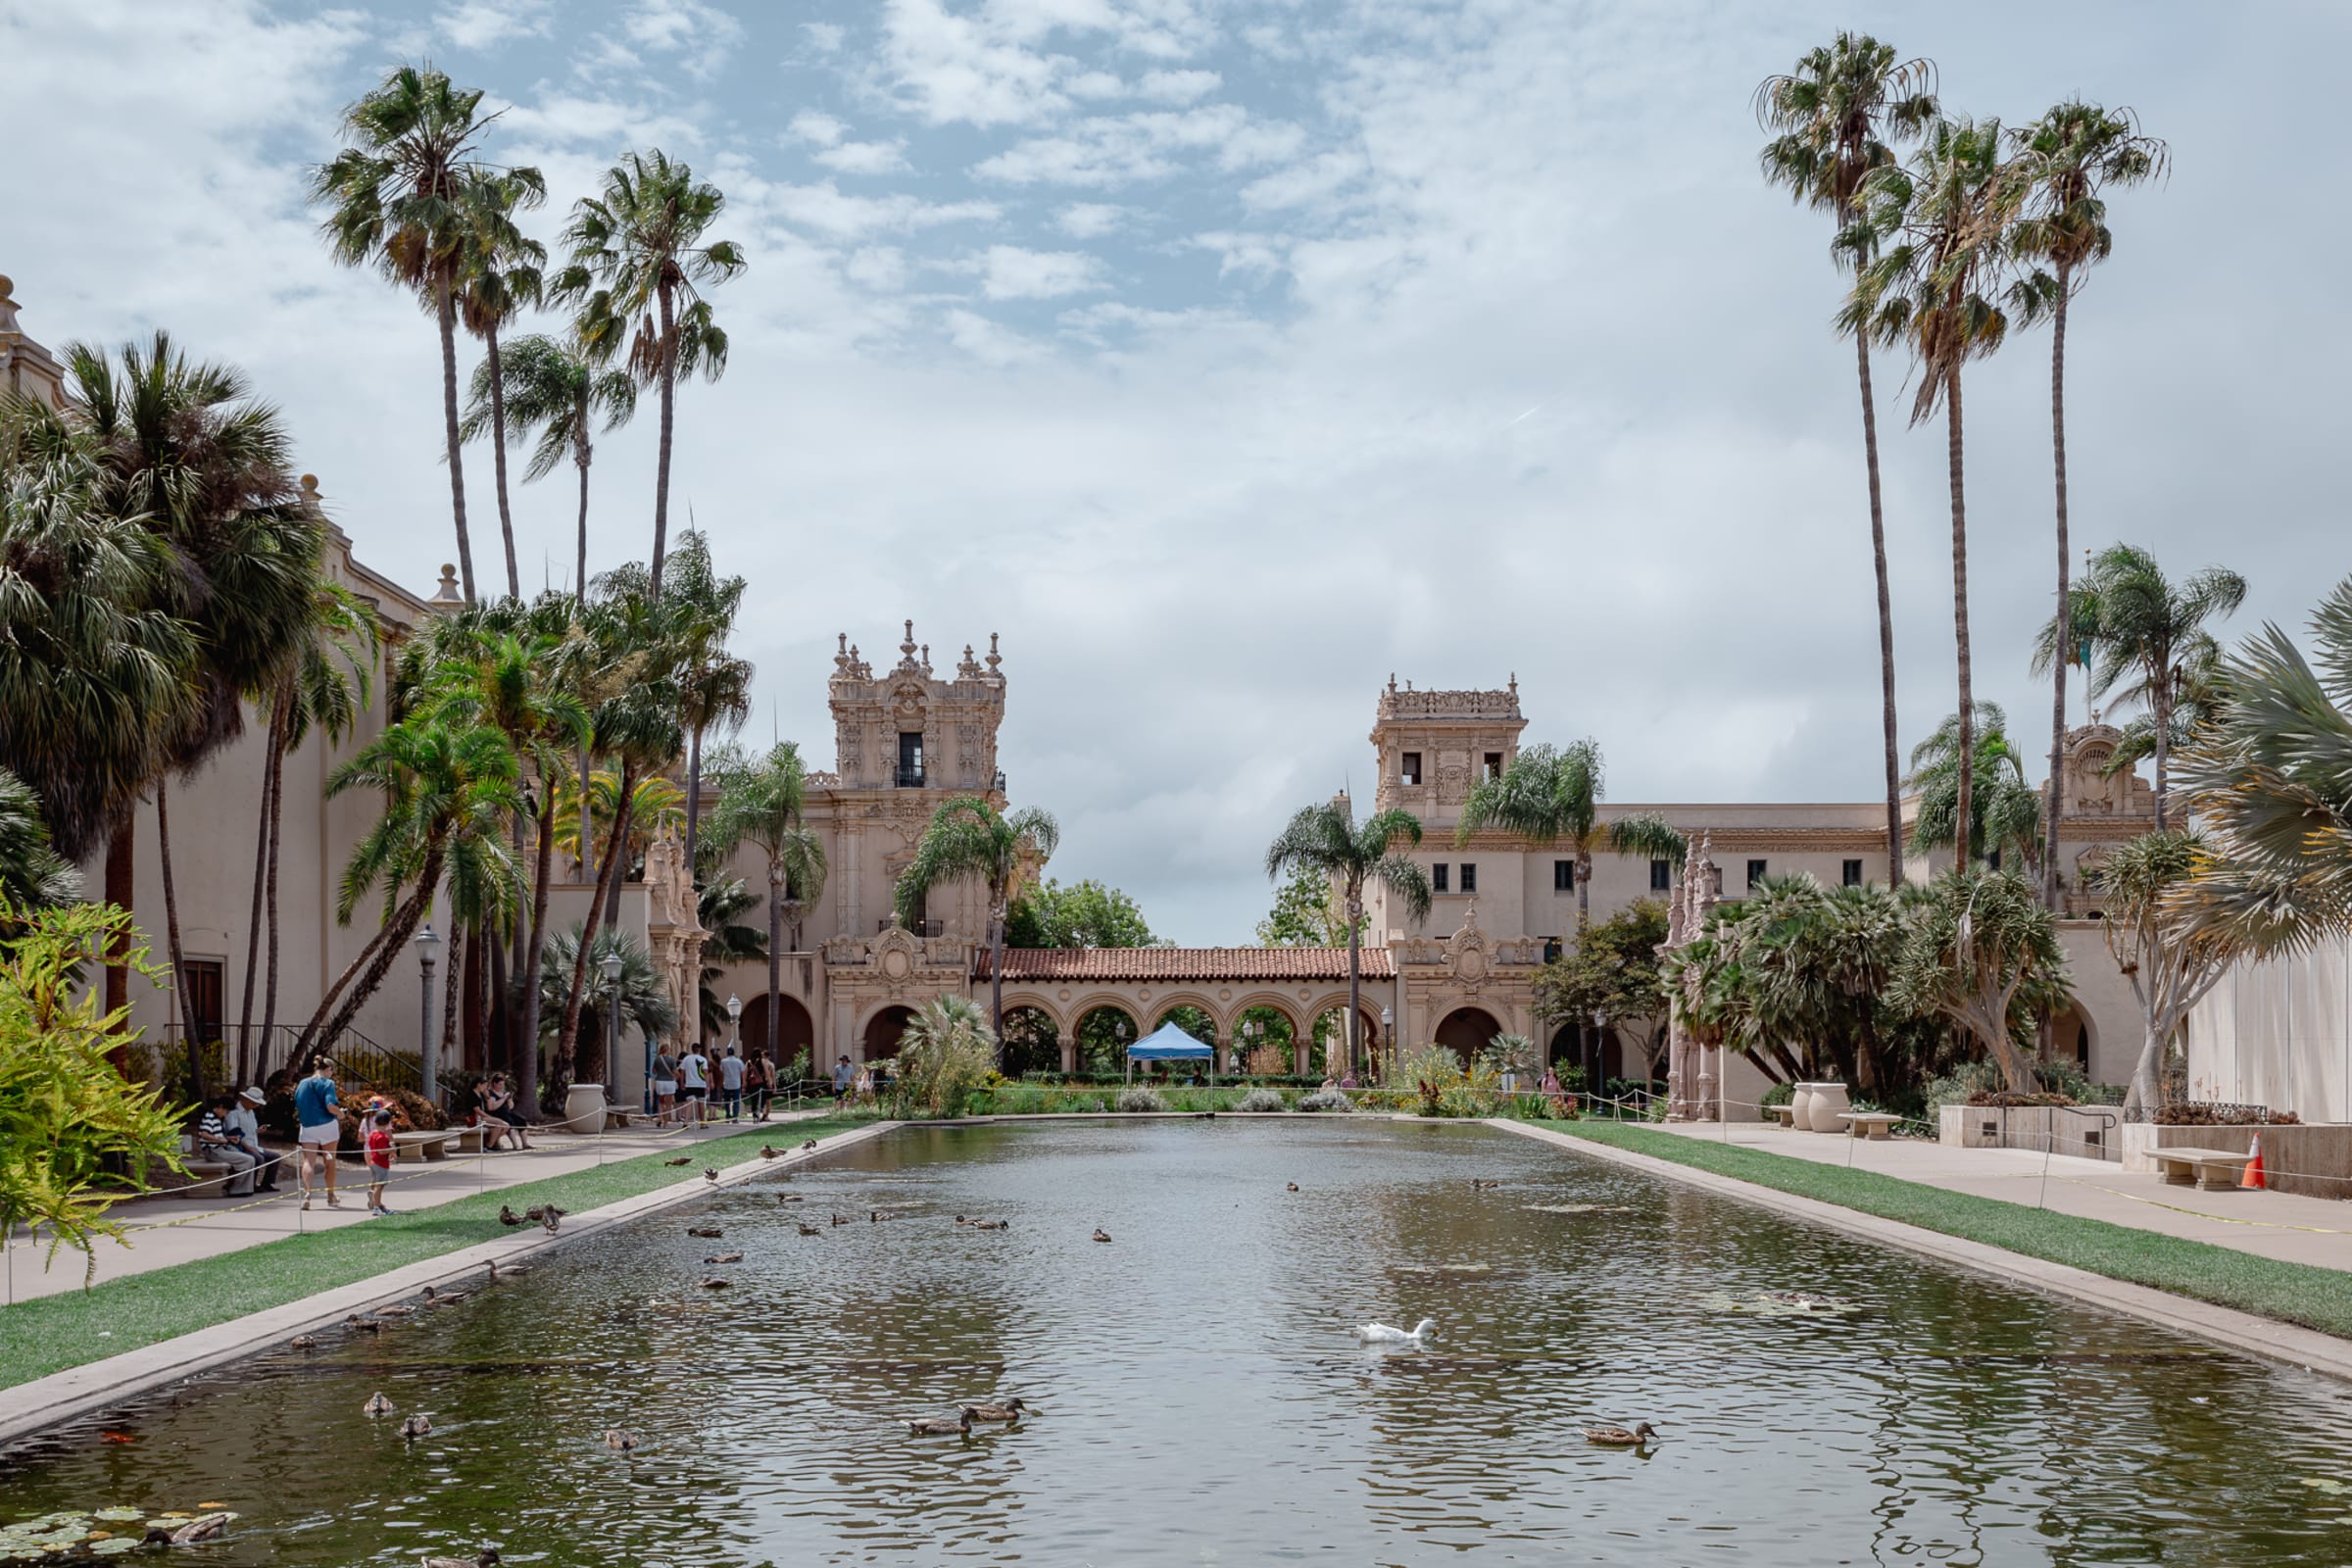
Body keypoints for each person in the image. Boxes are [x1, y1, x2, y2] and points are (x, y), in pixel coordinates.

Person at [294, 1057, 342, 1211]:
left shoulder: (302, 1083)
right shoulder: (328, 1083)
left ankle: (307, 1193)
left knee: (308, 1161)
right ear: (328, 1069)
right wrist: (341, 1114)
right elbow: (330, 1105)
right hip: (327, 1126)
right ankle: (331, 1194)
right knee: (330, 1161)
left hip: (308, 1126)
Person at [193, 1093, 259, 1198]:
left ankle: (244, 1188)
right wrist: (219, 1140)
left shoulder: (217, 1118)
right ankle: (237, 1189)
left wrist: (228, 1139)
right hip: (213, 1151)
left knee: (248, 1158)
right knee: (247, 1160)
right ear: (220, 1107)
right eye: (226, 1111)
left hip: (220, 1148)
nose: (226, 1114)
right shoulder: (209, 1117)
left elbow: (217, 1135)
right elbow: (204, 1134)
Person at [226, 1085, 278, 1192]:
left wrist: (258, 1131)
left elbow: (249, 1131)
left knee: (275, 1157)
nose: (255, 1105)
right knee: (258, 1158)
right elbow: (234, 1134)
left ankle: (267, 1183)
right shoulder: (234, 1113)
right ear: (246, 1100)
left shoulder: (251, 1112)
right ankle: (251, 1184)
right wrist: (248, 1148)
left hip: (253, 1145)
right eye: (253, 1102)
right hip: (240, 1147)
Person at [479, 1072, 533, 1150]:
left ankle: (525, 1143)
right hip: (497, 1113)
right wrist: (503, 1098)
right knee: (510, 1121)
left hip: (507, 1112)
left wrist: (510, 1100)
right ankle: (515, 1145)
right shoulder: (491, 1093)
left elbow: (511, 1107)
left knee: (521, 1120)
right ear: (494, 1084)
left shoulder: (503, 1093)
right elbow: (493, 1107)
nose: (502, 1086)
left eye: (503, 1084)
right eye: (500, 1084)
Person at [363, 1105, 396, 1216]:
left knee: (378, 1184)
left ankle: (380, 1205)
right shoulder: (382, 1137)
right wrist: (392, 1149)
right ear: (387, 1123)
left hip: (374, 1162)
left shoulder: (373, 1134)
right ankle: (376, 1207)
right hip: (381, 1164)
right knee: (379, 1186)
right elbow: (381, 1151)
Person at [678, 1042, 711, 1126]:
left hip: (690, 1084)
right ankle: (702, 1123)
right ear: (699, 1050)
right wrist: (707, 1085)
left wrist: (682, 1083)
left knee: (689, 1103)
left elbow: (682, 1072)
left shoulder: (686, 1059)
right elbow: (705, 1073)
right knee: (701, 1104)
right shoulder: (703, 1059)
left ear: (692, 1049)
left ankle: (686, 1121)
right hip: (700, 1084)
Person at [718, 1045, 747, 1122]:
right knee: (736, 1101)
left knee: (727, 1101)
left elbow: (721, 1071)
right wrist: (744, 1081)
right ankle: (735, 1117)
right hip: (736, 1083)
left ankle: (728, 1116)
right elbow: (743, 1071)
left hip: (727, 1083)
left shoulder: (723, 1061)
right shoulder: (738, 1061)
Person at [652, 1047, 677, 1127]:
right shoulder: (672, 1060)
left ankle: (660, 1118)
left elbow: (654, 1071)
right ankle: (666, 1122)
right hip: (669, 1081)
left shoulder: (657, 1059)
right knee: (668, 1103)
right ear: (667, 1050)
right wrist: (678, 1076)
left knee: (661, 1102)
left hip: (660, 1081)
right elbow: (674, 1071)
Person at [745, 1049, 773, 1121]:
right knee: (762, 1097)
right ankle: (760, 1108)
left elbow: (744, 1073)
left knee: (753, 1100)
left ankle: (754, 1114)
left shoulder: (748, 1062)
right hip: (760, 1083)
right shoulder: (762, 1061)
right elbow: (767, 1072)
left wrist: (744, 1083)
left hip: (751, 1083)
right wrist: (769, 1082)